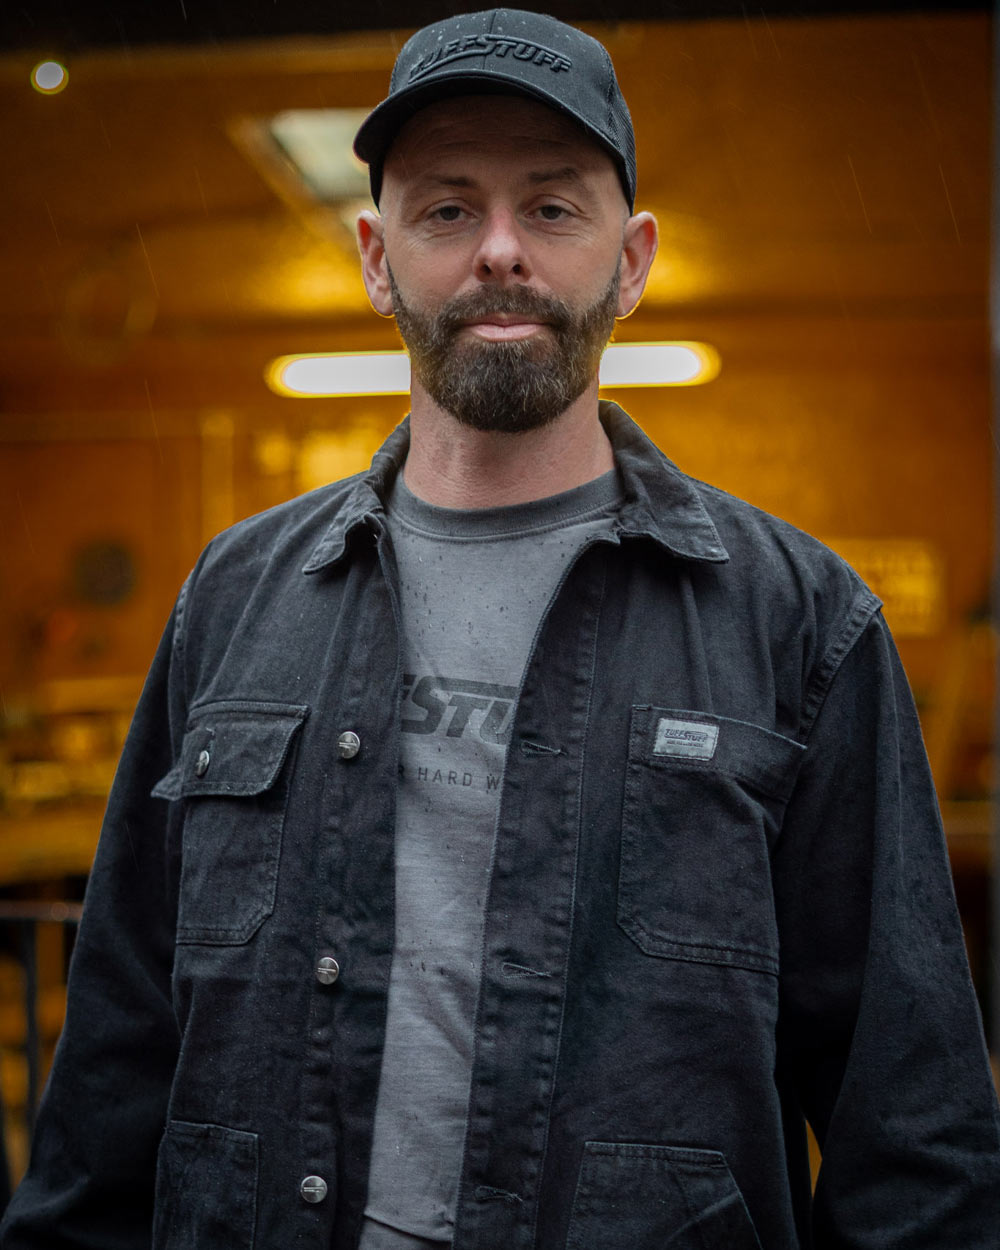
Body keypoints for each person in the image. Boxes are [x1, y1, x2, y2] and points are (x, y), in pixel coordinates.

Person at [2, 9, 998, 1249]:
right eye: (446, 208)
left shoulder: (799, 622)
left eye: (552, 205)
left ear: (631, 259)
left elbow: (911, 1133)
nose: (500, 251)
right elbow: (113, 1064)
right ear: (377, 257)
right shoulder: (234, 595)